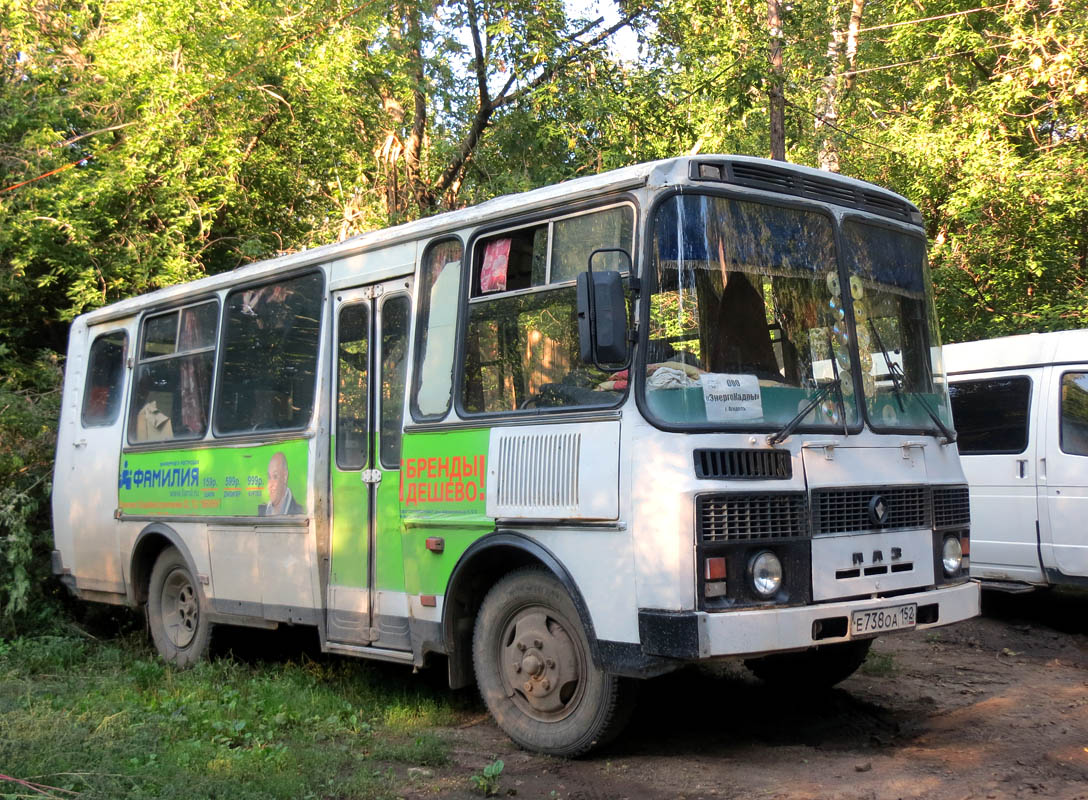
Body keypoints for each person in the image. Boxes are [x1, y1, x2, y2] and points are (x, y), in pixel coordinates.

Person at [258, 451, 304, 515]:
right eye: (269, 477)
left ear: (285, 477)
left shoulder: (299, 512)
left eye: (275, 476)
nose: (269, 485)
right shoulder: (262, 511)